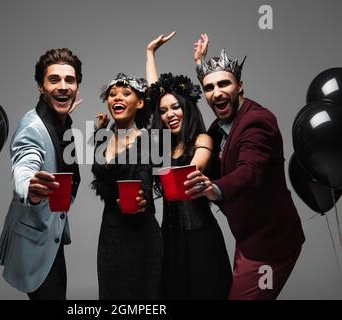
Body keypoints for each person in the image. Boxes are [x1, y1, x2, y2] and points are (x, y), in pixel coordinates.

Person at [185, 34, 305, 299]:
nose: (216, 93)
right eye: (209, 88)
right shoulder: (218, 129)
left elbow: (249, 171)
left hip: (270, 242)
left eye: (224, 84)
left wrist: (213, 188)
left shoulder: (258, 122)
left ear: (240, 87)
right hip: (248, 237)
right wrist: (200, 63)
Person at [146, 32, 232, 299]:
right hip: (168, 240)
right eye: (163, 111)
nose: (169, 114)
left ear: (187, 108)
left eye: (175, 107)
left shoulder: (203, 139)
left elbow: (195, 168)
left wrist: (200, 64)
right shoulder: (161, 147)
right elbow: (153, 97)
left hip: (201, 238)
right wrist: (150, 53)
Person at [0, 48, 82, 300]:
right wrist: (29, 187)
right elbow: (25, 163)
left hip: (51, 237)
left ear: (78, 86)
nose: (63, 86)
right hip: (36, 240)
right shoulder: (32, 127)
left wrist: (61, 120)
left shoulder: (58, 124)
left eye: (70, 80)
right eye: (54, 80)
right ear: (40, 87)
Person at [91, 73, 162, 299]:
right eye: (112, 94)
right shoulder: (104, 136)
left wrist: (143, 201)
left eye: (125, 93)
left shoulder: (149, 139)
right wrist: (98, 130)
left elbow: (146, 182)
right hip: (110, 235)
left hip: (142, 236)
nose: (116, 98)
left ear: (140, 102)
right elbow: (102, 176)